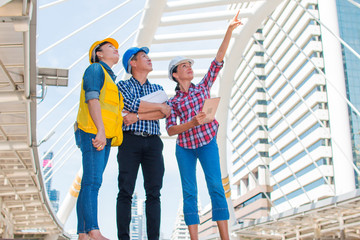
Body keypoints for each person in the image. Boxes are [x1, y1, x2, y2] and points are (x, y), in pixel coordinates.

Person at [165, 11, 242, 240]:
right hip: (185, 149)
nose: (189, 67)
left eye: (190, 64)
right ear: (176, 74)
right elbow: (170, 130)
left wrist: (229, 30)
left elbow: (218, 59)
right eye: (184, 65)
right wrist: (191, 122)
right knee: (190, 193)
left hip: (208, 143)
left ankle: (225, 238)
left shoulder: (203, 88)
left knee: (216, 187)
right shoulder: (173, 102)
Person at [116, 46, 171, 240]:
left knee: (154, 194)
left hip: (154, 143)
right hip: (129, 142)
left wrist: (137, 115)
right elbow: (129, 104)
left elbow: (166, 112)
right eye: (144, 56)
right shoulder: (122, 86)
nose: (149, 59)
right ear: (133, 63)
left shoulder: (158, 88)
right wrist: (156, 107)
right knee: (125, 191)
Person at [75, 38, 124, 240]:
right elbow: (92, 98)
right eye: (110, 47)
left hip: (105, 136)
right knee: (93, 182)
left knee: (90, 182)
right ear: (99, 54)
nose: (116, 49)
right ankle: (93, 230)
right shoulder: (95, 70)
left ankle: (83, 233)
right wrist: (101, 131)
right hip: (94, 132)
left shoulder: (111, 79)